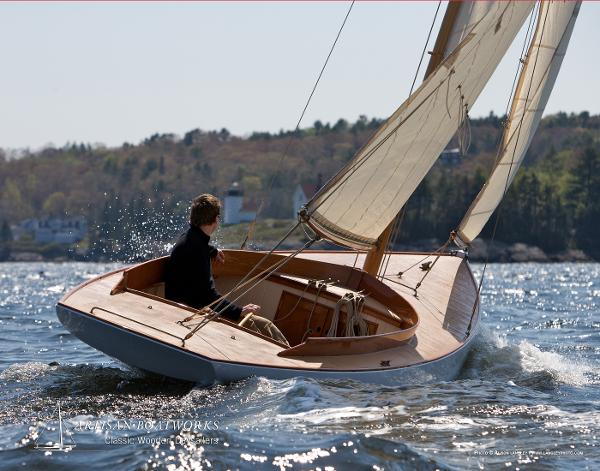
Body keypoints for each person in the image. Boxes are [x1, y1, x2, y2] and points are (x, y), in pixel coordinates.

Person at [165, 194, 289, 346]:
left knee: (261, 326)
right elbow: (209, 297)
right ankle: (292, 363)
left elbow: (197, 246)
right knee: (264, 326)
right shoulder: (197, 249)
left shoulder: (188, 238)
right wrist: (239, 311)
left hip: (177, 307)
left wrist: (213, 251)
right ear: (216, 220)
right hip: (191, 314)